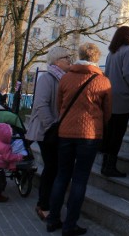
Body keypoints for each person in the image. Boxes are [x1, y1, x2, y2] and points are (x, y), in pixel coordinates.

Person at [46, 43, 112, 236]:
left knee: (61, 176)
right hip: (89, 135)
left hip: (65, 133)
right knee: (80, 179)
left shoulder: (66, 78)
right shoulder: (103, 81)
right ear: (96, 59)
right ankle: (70, 224)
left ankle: (52, 219)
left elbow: (60, 106)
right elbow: (107, 112)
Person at [26, 46, 72, 221]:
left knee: (56, 168)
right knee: (52, 168)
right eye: (66, 57)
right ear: (57, 61)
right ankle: (43, 205)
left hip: (57, 130)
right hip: (47, 132)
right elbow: (41, 104)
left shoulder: (64, 78)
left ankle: (51, 203)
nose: (69, 60)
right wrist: (51, 125)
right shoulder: (47, 78)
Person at [103, 25, 129, 177]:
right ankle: (110, 166)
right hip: (123, 97)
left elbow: (106, 73)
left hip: (110, 95)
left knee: (110, 132)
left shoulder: (111, 53)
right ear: (127, 37)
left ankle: (106, 164)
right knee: (118, 133)